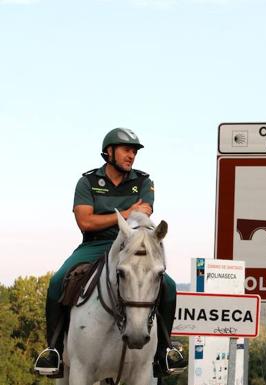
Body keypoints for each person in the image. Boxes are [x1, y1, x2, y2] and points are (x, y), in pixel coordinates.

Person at [34, 128, 187, 379]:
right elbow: (85, 222)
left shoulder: (144, 182)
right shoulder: (88, 182)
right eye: (127, 150)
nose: (131, 156)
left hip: (130, 244)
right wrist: (126, 214)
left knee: (168, 285)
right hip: (94, 245)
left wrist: (122, 216)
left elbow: (144, 214)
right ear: (109, 152)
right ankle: (54, 350)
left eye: (134, 151)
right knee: (56, 281)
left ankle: (164, 352)